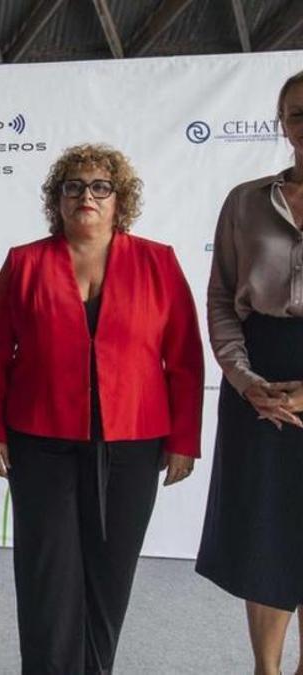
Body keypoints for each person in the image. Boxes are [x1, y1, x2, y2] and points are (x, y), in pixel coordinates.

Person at [0, 143, 203, 674]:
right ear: (58, 199)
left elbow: (185, 359)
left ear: (121, 200)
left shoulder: (158, 262)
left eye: (101, 186)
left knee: (109, 577)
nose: (87, 196)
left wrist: (184, 440)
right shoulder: (25, 262)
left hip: (134, 446)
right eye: (73, 186)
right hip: (40, 441)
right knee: (46, 578)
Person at [197, 69, 303, 675]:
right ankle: (265, 670)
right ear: (281, 122)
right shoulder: (245, 200)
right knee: (265, 534)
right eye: (296, 113)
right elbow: (221, 298)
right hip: (257, 379)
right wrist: (243, 381)